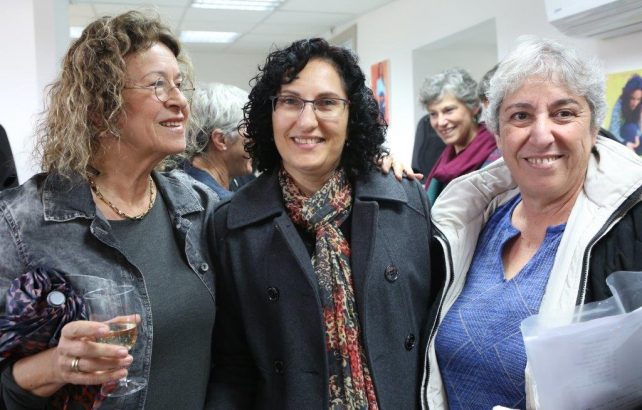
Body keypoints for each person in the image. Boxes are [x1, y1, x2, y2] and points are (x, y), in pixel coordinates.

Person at [0, 11, 218, 409]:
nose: (180, 101)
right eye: (157, 84)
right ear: (100, 106)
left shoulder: (201, 209)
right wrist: (54, 366)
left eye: (179, 84)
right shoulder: (18, 223)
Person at [209, 38, 433, 409]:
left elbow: (432, 332)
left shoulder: (404, 202)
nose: (306, 121)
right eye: (290, 101)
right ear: (269, 113)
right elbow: (231, 367)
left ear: (352, 115)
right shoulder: (231, 224)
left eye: (327, 103)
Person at [422, 36, 642, 409]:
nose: (541, 135)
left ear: (593, 129)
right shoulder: (469, 222)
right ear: (498, 134)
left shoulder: (632, 229)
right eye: (521, 116)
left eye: (564, 113)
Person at [420, 68, 497, 204]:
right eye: (433, 114)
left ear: (473, 107)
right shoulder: (445, 156)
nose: (440, 122)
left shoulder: (496, 154)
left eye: (449, 110)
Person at [183, 82, 253, 199]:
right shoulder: (197, 199)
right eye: (250, 133)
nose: (256, 142)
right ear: (221, 140)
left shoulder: (242, 179)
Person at [608, 74, 642, 143]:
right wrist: (625, 143)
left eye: (638, 99)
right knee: (631, 128)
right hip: (619, 139)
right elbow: (613, 131)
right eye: (632, 98)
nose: (635, 103)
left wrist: (637, 137)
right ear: (627, 96)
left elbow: (639, 127)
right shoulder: (620, 104)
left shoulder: (639, 105)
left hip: (634, 139)